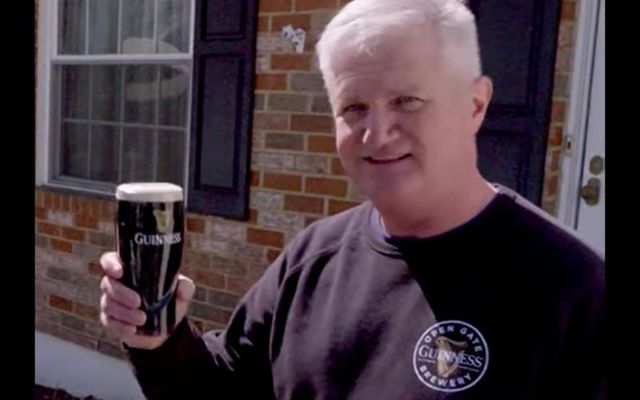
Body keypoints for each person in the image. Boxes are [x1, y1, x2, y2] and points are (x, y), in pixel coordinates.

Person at [99, 0, 605, 398]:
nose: (377, 133)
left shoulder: (572, 289)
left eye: (407, 100)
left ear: (475, 104)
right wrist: (158, 340)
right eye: (355, 107)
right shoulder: (316, 256)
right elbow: (224, 387)